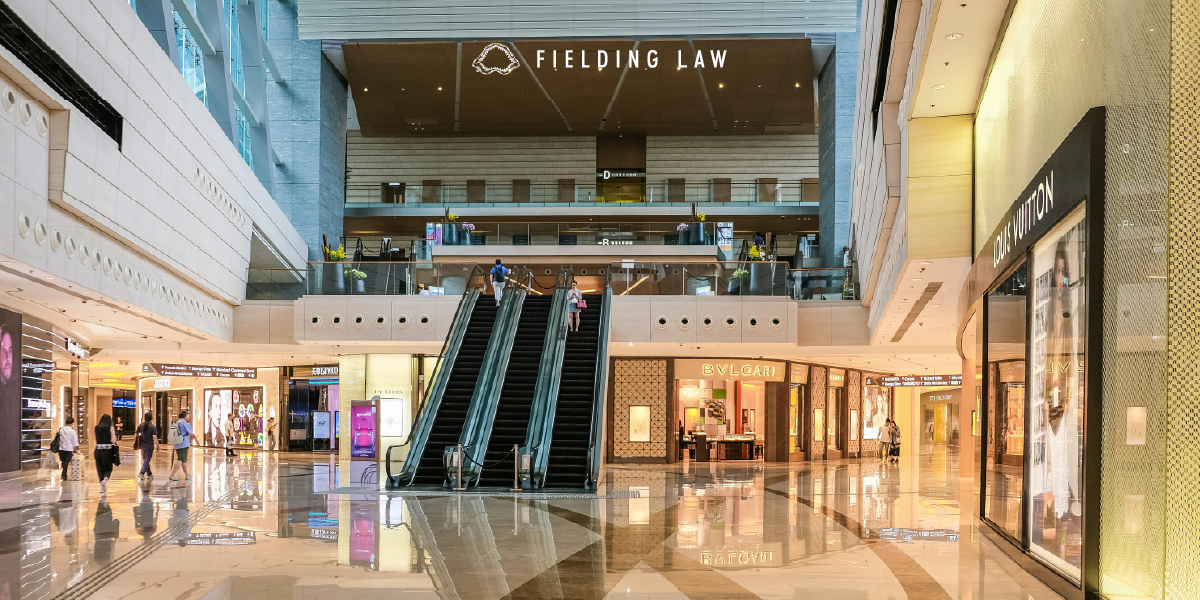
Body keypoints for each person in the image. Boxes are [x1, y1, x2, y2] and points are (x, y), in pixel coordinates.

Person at [168, 411, 197, 481]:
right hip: (183, 444)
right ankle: (172, 475)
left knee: (183, 460)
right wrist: (196, 440)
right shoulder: (185, 424)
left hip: (177, 444)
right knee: (180, 459)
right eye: (187, 416)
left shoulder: (175, 423)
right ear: (185, 416)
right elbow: (192, 434)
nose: (188, 417)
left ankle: (187, 475)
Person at [93, 414, 117, 494]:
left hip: (98, 450)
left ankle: (102, 487)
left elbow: (96, 438)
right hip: (107, 450)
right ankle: (105, 480)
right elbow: (113, 441)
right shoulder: (110, 428)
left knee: (99, 467)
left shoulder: (96, 428)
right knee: (108, 468)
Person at [134, 411, 157, 482]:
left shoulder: (140, 425)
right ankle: (142, 472)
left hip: (142, 445)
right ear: (151, 418)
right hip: (149, 445)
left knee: (145, 460)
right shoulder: (153, 427)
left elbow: (135, 435)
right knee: (147, 459)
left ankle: (149, 474)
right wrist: (157, 445)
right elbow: (155, 437)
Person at [56, 416, 79, 482]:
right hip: (68, 449)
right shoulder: (72, 432)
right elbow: (75, 442)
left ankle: (64, 473)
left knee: (63, 461)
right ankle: (64, 474)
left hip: (60, 448)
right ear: (72, 423)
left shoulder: (60, 430)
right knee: (66, 461)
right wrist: (76, 449)